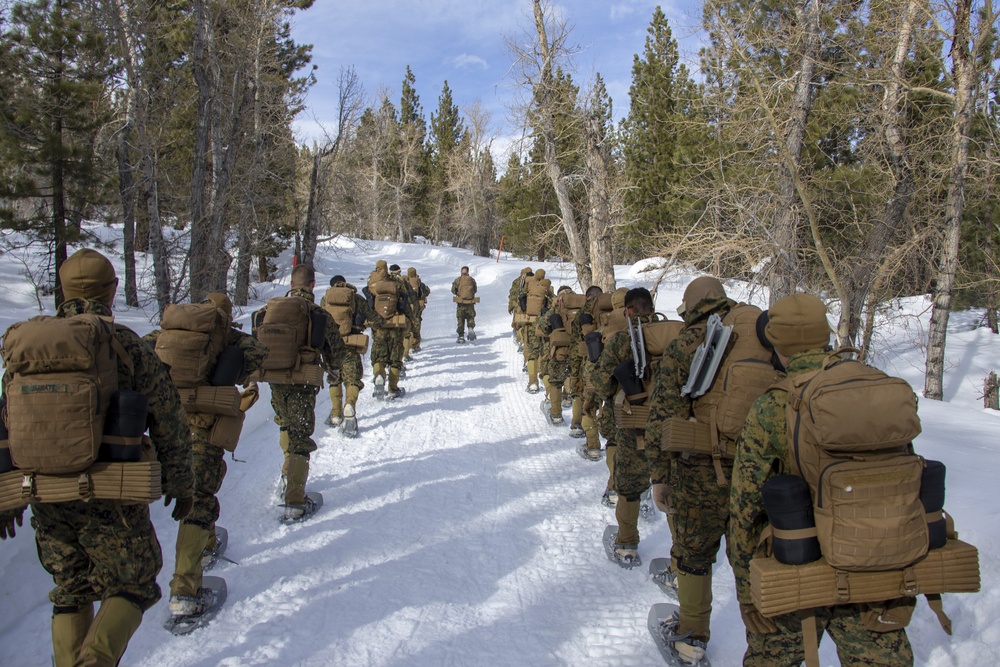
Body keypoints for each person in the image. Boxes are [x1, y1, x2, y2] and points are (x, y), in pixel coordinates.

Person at [0, 248, 194, 667]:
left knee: (71, 587)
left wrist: (6, 496)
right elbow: (169, 420)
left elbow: (7, 422)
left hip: (46, 495)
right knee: (134, 582)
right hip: (111, 493)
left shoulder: (29, 347)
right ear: (113, 290)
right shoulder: (125, 346)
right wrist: (181, 482)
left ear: (63, 291)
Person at [727, 294, 914, 666]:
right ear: (825, 335)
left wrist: (748, 591)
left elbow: (745, 507)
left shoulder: (773, 406)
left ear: (776, 344)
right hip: (875, 565)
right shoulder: (876, 390)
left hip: (797, 567)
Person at [143, 292, 267, 619]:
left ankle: (208, 543)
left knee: (190, 490)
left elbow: (138, 357)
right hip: (204, 427)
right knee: (199, 498)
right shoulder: (228, 336)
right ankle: (185, 591)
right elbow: (257, 358)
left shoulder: (165, 334)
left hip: (164, 427)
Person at [643, 276, 736, 664]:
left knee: (695, 554)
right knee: (752, 562)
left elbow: (664, 417)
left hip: (700, 471)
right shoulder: (760, 339)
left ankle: (691, 640)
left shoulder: (687, 344)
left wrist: (659, 477)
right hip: (760, 471)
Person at [260, 263, 347, 519]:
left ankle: (286, 476)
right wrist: (334, 369)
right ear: (312, 285)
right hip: (303, 381)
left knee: (285, 424)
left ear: (291, 284)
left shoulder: (270, 310)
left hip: (276, 379)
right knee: (301, 436)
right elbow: (336, 350)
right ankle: (295, 501)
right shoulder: (317, 313)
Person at [590, 288, 657, 566]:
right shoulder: (677, 335)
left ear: (628, 311)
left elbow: (602, 383)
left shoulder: (622, 340)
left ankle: (627, 544)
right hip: (674, 422)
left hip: (634, 421)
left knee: (628, 483)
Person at [320, 274, 384, 431]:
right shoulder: (355, 298)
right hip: (350, 345)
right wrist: (381, 321)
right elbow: (371, 314)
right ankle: (349, 406)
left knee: (334, 379)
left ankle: (336, 414)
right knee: (352, 380)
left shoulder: (325, 299)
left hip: (331, 347)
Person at [365, 260, 411, 399]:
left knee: (379, 356)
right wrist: (409, 321)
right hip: (395, 325)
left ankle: (379, 376)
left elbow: (367, 304)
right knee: (395, 358)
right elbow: (405, 302)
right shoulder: (396, 282)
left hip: (378, 327)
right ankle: (393, 388)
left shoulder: (371, 282)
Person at [403, 267, 430, 358]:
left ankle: (407, 346)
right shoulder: (418, 282)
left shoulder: (404, 282)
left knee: (407, 327)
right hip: (417, 307)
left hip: (407, 307)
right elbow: (427, 291)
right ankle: (415, 346)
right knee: (416, 326)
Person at [451, 266, 478, 343]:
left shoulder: (458, 280)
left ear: (461, 272)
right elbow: (475, 290)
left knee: (460, 319)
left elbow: (453, 290)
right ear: (468, 272)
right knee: (470, 317)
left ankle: (461, 336)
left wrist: (458, 293)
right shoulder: (472, 280)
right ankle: (470, 328)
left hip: (461, 303)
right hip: (470, 303)